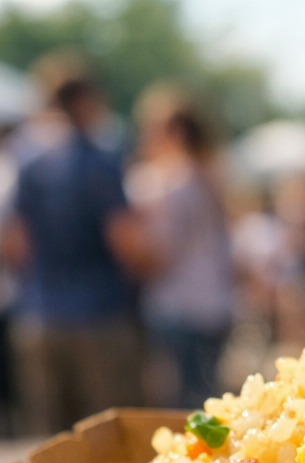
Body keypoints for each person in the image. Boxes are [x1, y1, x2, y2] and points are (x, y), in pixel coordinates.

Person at [1, 53, 143, 436]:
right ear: (86, 101)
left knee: (52, 440)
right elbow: (124, 241)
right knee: (106, 440)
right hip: (99, 316)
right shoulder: (101, 162)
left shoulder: (28, 163)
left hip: (40, 315)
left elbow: (14, 244)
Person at [127, 86, 233, 410]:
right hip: (215, 304)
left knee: (183, 408)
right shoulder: (209, 176)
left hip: (179, 308)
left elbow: (160, 252)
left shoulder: (170, 181)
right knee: (205, 398)